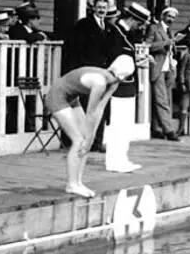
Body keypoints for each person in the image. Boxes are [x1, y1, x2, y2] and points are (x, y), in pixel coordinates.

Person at [46, 55, 135, 198]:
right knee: (79, 141)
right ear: (124, 77)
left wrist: (92, 136)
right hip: (56, 97)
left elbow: (100, 109)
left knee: (87, 141)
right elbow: (90, 112)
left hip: (71, 98)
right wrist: (87, 138)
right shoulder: (99, 82)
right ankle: (71, 184)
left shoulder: (113, 83)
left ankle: (78, 182)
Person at [104, 2, 151, 173]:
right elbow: (115, 61)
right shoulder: (117, 34)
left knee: (125, 125)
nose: (138, 27)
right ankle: (114, 161)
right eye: (138, 23)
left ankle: (122, 158)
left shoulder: (125, 34)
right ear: (132, 19)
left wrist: (138, 62)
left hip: (127, 85)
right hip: (119, 86)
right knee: (119, 124)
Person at [63, 0, 112, 152]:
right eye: (99, 7)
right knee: (87, 108)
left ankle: (98, 141)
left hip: (103, 73)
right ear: (93, 8)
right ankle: (85, 141)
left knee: (100, 107)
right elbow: (76, 50)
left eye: (105, 7)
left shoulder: (108, 26)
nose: (102, 10)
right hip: (88, 73)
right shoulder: (84, 25)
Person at [145, 6, 183, 141]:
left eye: (173, 17)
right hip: (157, 67)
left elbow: (171, 48)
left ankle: (156, 128)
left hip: (168, 68)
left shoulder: (170, 31)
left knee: (165, 99)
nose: (171, 19)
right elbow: (148, 46)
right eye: (169, 16)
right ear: (163, 16)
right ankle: (169, 130)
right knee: (162, 100)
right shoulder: (154, 28)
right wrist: (169, 42)